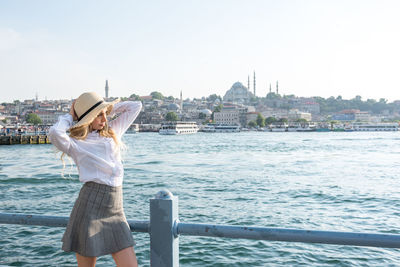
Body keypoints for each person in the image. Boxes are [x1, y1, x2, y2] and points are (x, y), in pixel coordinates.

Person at [49, 92, 142, 267]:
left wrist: (106, 108)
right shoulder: (76, 144)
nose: (104, 119)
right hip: (89, 207)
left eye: (105, 114)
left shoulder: (113, 131)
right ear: (88, 117)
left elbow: (135, 106)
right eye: (99, 115)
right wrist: (71, 116)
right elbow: (54, 132)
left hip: (116, 210)